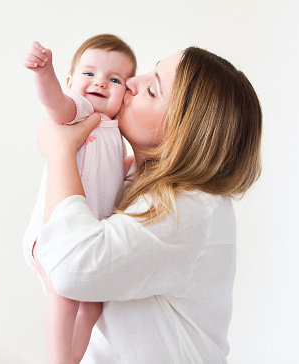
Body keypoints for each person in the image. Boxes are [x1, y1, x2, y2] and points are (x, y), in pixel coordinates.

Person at [32, 47, 262, 363]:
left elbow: (73, 268)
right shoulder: (127, 178)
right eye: (149, 72)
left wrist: (59, 153)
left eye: (152, 90)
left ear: (182, 135)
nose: (131, 83)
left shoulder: (190, 207)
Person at [23, 34, 137, 363]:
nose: (100, 82)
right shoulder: (80, 111)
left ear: (126, 94)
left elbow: (118, 172)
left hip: (81, 240)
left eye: (114, 79)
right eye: (89, 74)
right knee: (64, 295)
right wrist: (45, 73)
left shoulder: (114, 130)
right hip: (51, 237)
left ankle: (72, 358)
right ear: (72, 81)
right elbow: (55, 102)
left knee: (93, 304)